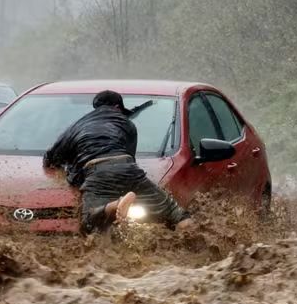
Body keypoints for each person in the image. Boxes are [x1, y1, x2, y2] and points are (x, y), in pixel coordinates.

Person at [43, 90, 192, 234]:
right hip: (128, 167)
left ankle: (115, 205)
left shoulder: (77, 127)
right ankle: (192, 243)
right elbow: (130, 158)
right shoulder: (127, 124)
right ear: (117, 107)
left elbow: (50, 158)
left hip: (97, 171)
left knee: (87, 224)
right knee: (175, 213)